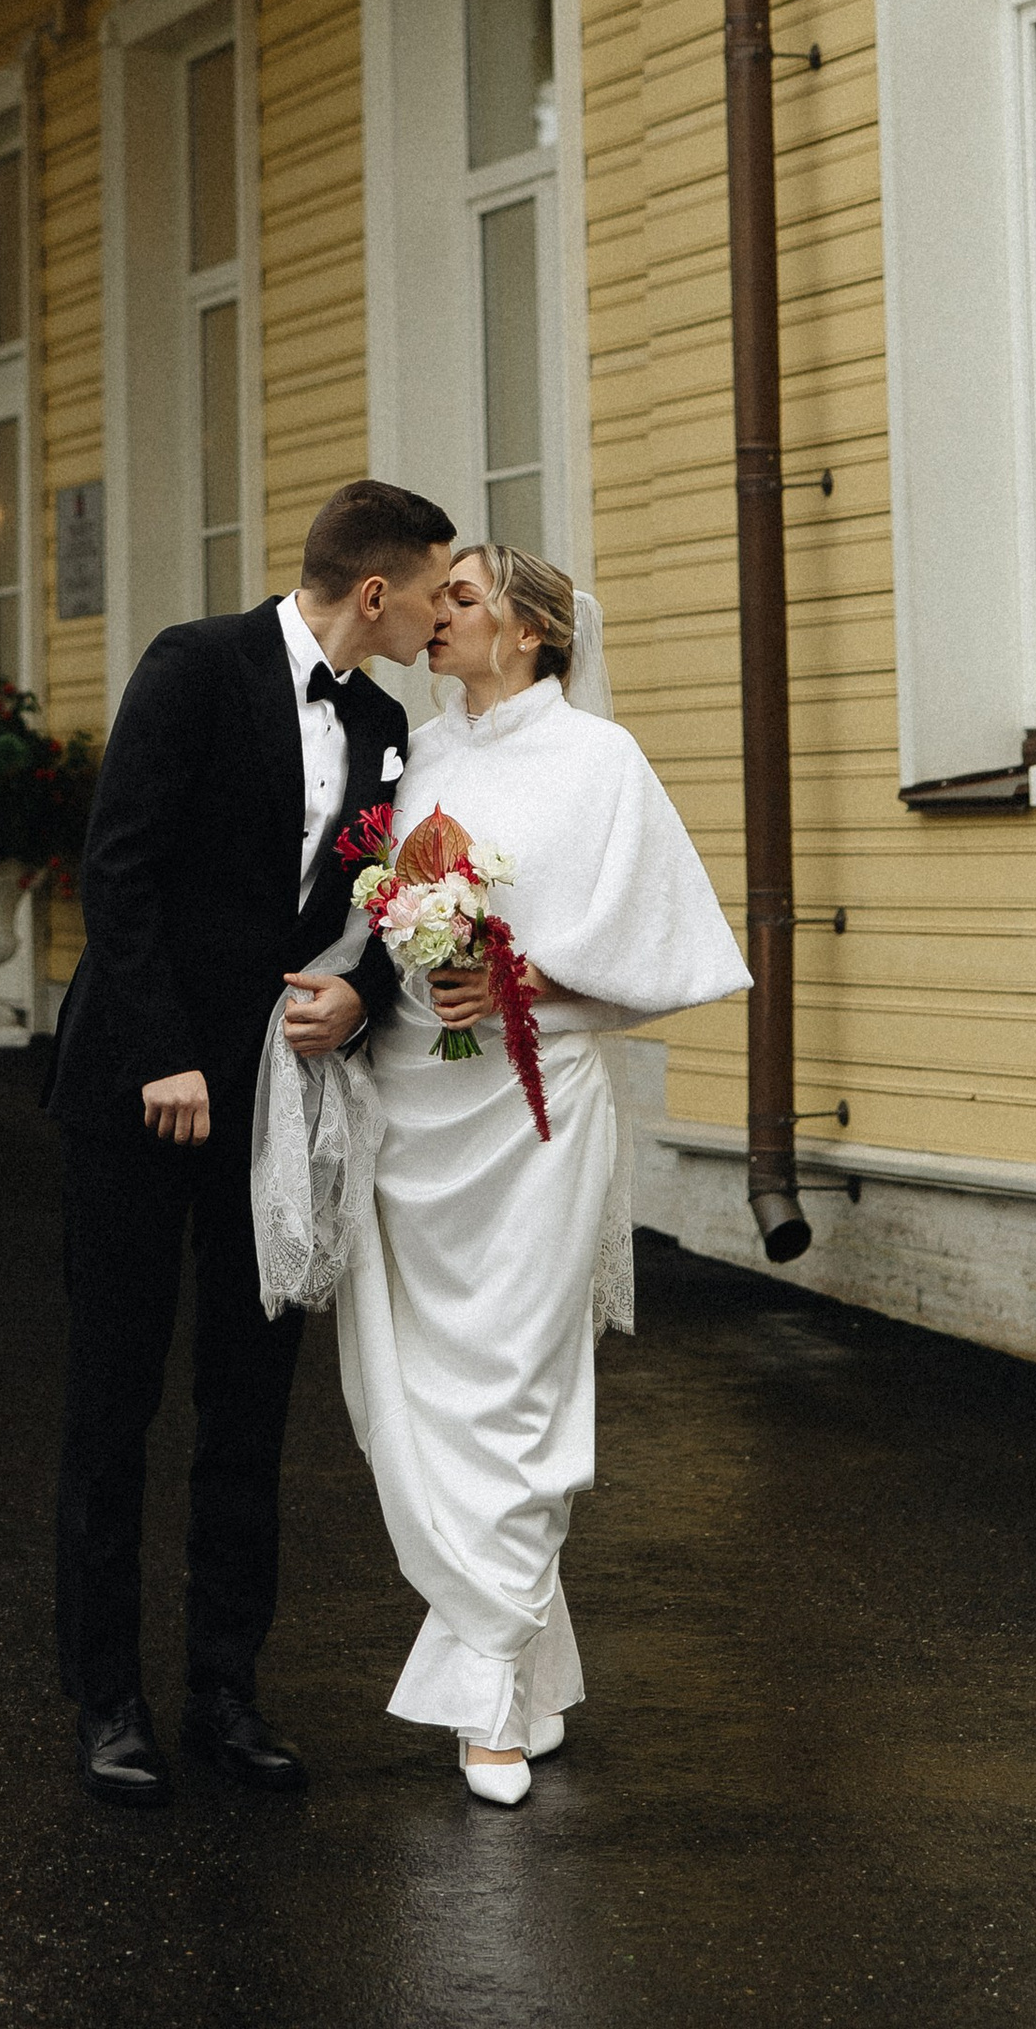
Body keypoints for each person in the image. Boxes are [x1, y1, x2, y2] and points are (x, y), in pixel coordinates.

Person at [46, 478, 457, 1807]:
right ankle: (109, 1701)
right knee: (115, 1399)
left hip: (280, 1106)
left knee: (249, 1402)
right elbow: (118, 869)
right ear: (374, 591)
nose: (446, 611)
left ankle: (227, 1690)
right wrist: (164, 1049)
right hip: (136, 1086)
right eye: (435, 588)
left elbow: (385, 909)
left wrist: (365, 995)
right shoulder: (195, 666)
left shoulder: (389, 727)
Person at [334, 538, 747, 1805]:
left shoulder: (600, 762)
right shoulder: (422, 754)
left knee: (514, 1391)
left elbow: (663, 956)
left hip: (533, 1114)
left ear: (533, 634)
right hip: (416, 1111)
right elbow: (363, 914)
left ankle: (490, 1699)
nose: (435, 615)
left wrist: (521, 976)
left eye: (461, 598)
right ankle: (525, 1665)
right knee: (418, 1394)